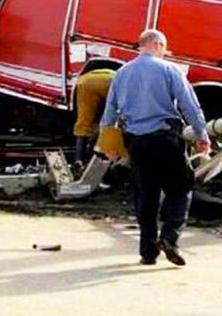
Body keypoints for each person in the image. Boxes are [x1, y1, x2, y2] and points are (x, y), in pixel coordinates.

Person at [99, 29, 210, 266]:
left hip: (136, 142)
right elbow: (190, 105)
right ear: (158, 45)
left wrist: (109, 145)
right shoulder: (170, 70)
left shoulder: (121, 73)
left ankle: (148, 252)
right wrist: (202, 135)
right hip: (165, 139)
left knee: (146, 195)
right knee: (181, 187)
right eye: (164, 48)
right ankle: (170, 237)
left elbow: (109, 113)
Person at [73, 68, 117, 166]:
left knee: (90, 121)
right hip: (89, 84)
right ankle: (79, 160)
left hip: (97, 77)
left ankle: (84, 156)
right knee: (85, 122)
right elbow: (111, 116)